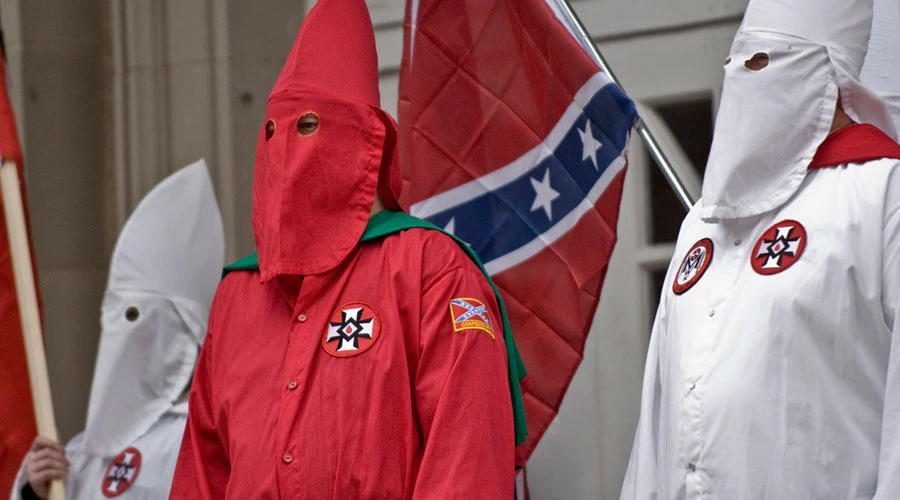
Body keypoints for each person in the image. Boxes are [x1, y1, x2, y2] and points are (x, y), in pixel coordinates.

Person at [169, 1, 522, 499]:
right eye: (272, 131)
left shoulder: (431, 269)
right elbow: (202, 475)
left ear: (368, 138)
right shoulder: (237, 296)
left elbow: (466, 460)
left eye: (308, 126)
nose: (285, 149)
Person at [620, 0, 900, 497]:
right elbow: (657, 414)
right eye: (736, 62)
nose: (742, 76)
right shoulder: (702, 222)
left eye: (764, 60)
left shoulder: (883, 195)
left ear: (831, 80)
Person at [10, 160, 224, 500]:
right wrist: (36, 490)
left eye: (137, 317)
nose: (126, 335)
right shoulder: (83, 454)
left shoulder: (201, 441)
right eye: (117, 316)